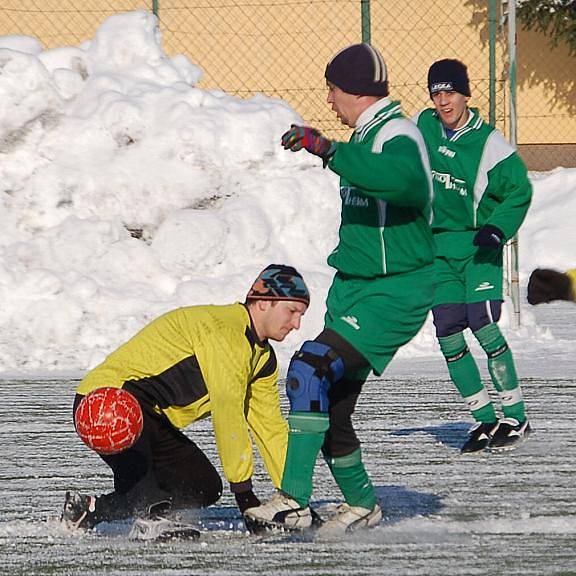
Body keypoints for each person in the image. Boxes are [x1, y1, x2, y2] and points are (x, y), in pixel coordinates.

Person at [243, 43, 435, 536]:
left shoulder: (398, 134)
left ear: (353, 90)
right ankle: (362, 504)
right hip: (356, 291)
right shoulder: (368, 136)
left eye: (331, 88)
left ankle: (292, 500)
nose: (328, 99)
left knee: (307, 371)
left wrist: (330, 150)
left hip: (394, 293)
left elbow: (406, 184)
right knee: (328, 406)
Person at [61, 264, 309, 533]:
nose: (296, 324)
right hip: (107, 402)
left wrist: (295, 496)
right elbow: (229, 413)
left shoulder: (262, 360)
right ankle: (152, 519)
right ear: (262, 303)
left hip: (150, 417)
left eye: (301, 315)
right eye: (292, 311)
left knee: (203, 485)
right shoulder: (226, 331)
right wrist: (245, 497)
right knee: (146, 489)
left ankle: (89, 510)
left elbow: (270, 427)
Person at [413, 59, 533, 453]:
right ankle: (483, 419)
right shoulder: (423, 127)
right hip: (438, 249)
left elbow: (520, 191)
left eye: (450, 92)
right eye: (437, 93)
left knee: (482, 324)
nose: (443, 101)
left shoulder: (490, 144)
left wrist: (498, 228)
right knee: (448, 332)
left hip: (478, 246)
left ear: (466, 94)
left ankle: (516, 416)